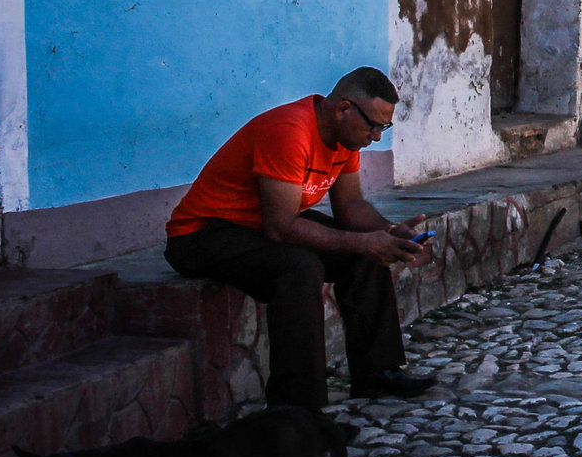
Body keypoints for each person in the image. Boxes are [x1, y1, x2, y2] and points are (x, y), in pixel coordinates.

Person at [165, 68, 437, 410]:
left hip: (258, 223)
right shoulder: (289, 131)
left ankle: (377, 375)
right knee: (299, 267)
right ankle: (299, 412)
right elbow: (280, 228)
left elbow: (350, 207)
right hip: (200, 234)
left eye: (384, 127)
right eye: (374, 125)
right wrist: (365, 242)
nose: (377, 137)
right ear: (343, 109)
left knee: (365, 249)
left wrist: (386, 233)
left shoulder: (345, 138)